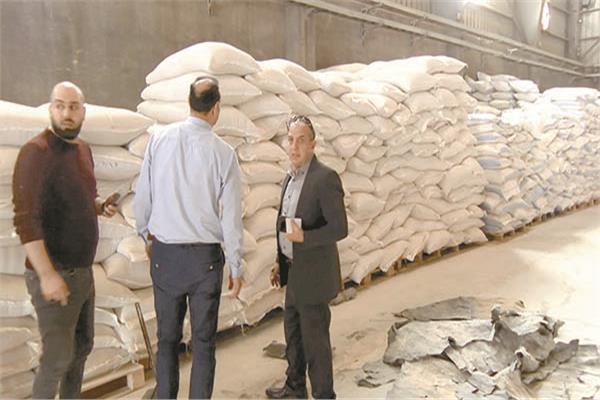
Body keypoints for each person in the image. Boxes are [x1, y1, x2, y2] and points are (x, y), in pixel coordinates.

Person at [134, 76, 244, 399]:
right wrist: (236, 265)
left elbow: (143, 198)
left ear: (189, 103)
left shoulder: (159, 140)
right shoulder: (224, 154)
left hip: (166, 256)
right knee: (203, 343)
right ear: (216, 109)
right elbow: (230, 218)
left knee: (167, 340)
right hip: (204, 262)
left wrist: (146, 237)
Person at [12, 81, 118, 399]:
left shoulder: (83, 150)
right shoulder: (35, 152)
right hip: (55, 273)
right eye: (60, 105)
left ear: (83, 111)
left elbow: (80, 196)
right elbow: (26, 221)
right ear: (50, 109)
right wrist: (47, 275)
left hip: (82, 272)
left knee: (82, 347)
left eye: (73, 107)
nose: (66, 113)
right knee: (56, 360)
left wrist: (98, 206)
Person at [267, 115, 348, 399]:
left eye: (301, 140)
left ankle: (324, 394)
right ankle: (295, 388)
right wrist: (279, 261)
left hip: (314, 276)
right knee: (293, 335)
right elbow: (286, 224)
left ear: (313, 144)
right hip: (293, 272)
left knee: (316, 344)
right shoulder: (289, 179)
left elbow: (339, 228)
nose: (295, 146)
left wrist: (306, 238)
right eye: (290, 140)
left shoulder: (324, 178)